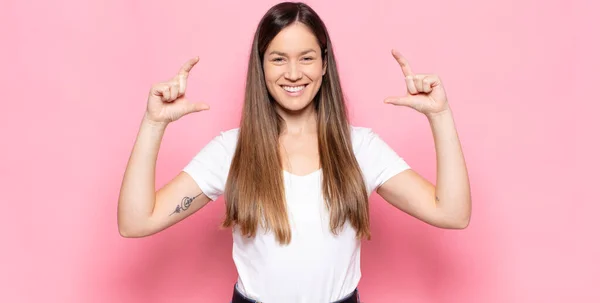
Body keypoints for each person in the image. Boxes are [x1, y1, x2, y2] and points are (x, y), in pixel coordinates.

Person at [117, 2, 471, 302]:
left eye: (306, 58)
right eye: (278, 59)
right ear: (261, 66)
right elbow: (137, 221)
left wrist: (439, 116)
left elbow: (452, 213)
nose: (293, 73)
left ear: (324, 64)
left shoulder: (360, 148)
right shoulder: (231, 151)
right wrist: (154, 123)